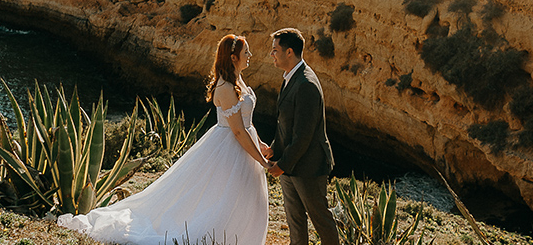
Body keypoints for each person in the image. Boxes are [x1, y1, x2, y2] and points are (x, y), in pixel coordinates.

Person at [56, 34, 270, 245]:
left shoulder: (237, 80)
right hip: (230, 149)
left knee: (242, 195)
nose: (249, 55)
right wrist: (261, 160)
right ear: (233, 57)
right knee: (225, 196)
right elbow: (238, 131)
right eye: (245, 52)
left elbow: (246, 123)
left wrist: (259, 143)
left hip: (242, 146)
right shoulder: (225, 88)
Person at [261, 27, 340, 245]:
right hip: (290, 163)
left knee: (321, 221)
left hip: (309, 167)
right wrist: (274, 150)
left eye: (275, 50)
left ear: (289, 52)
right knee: (295, 222)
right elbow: (285, 124)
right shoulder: (290, 77)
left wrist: (281, 165)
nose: (272, 54)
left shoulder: (306, 84)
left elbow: (303, 135)